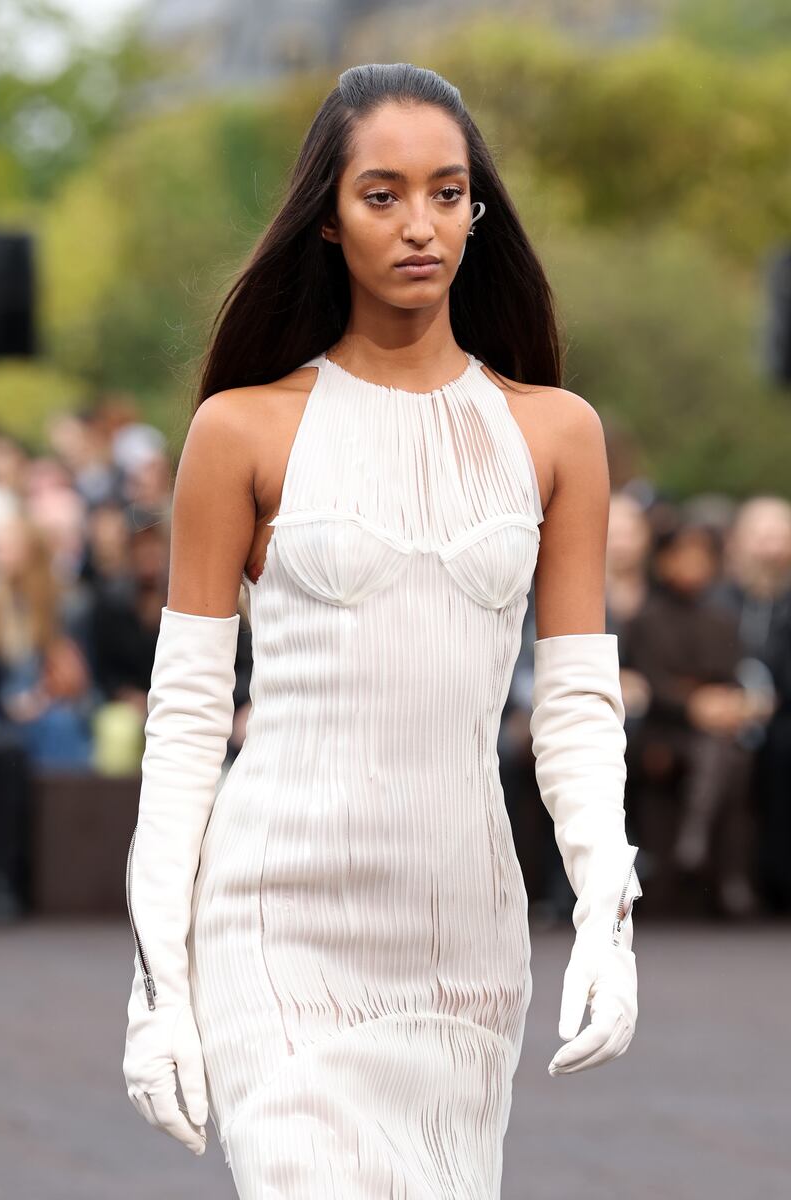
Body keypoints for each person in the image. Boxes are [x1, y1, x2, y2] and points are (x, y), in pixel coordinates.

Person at [122, 62, 643, 1198]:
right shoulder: (241, 430)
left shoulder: (555, 434)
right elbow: (187, 715)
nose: (420, 226)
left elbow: (573, 702)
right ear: (326, 218)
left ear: (475, 210)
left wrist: (606, 905)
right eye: (382, 195)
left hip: (462, 932)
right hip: (279, 918)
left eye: (447, 194)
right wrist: (158, 977)